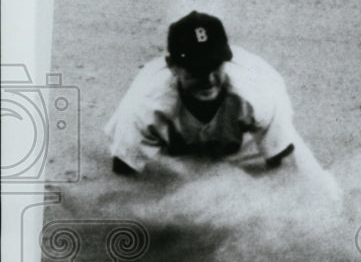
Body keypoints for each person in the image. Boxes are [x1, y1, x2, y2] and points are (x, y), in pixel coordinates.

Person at [105, 11, 340, 200]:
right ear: (172, 66)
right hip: (176, 153)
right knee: (178, 217)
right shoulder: (144, 103)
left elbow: (283, 164)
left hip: (247, 144)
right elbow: (124, 172)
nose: (208, 79)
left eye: (214, 66)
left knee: (324, 197)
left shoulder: (258, 93)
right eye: (196, 69)